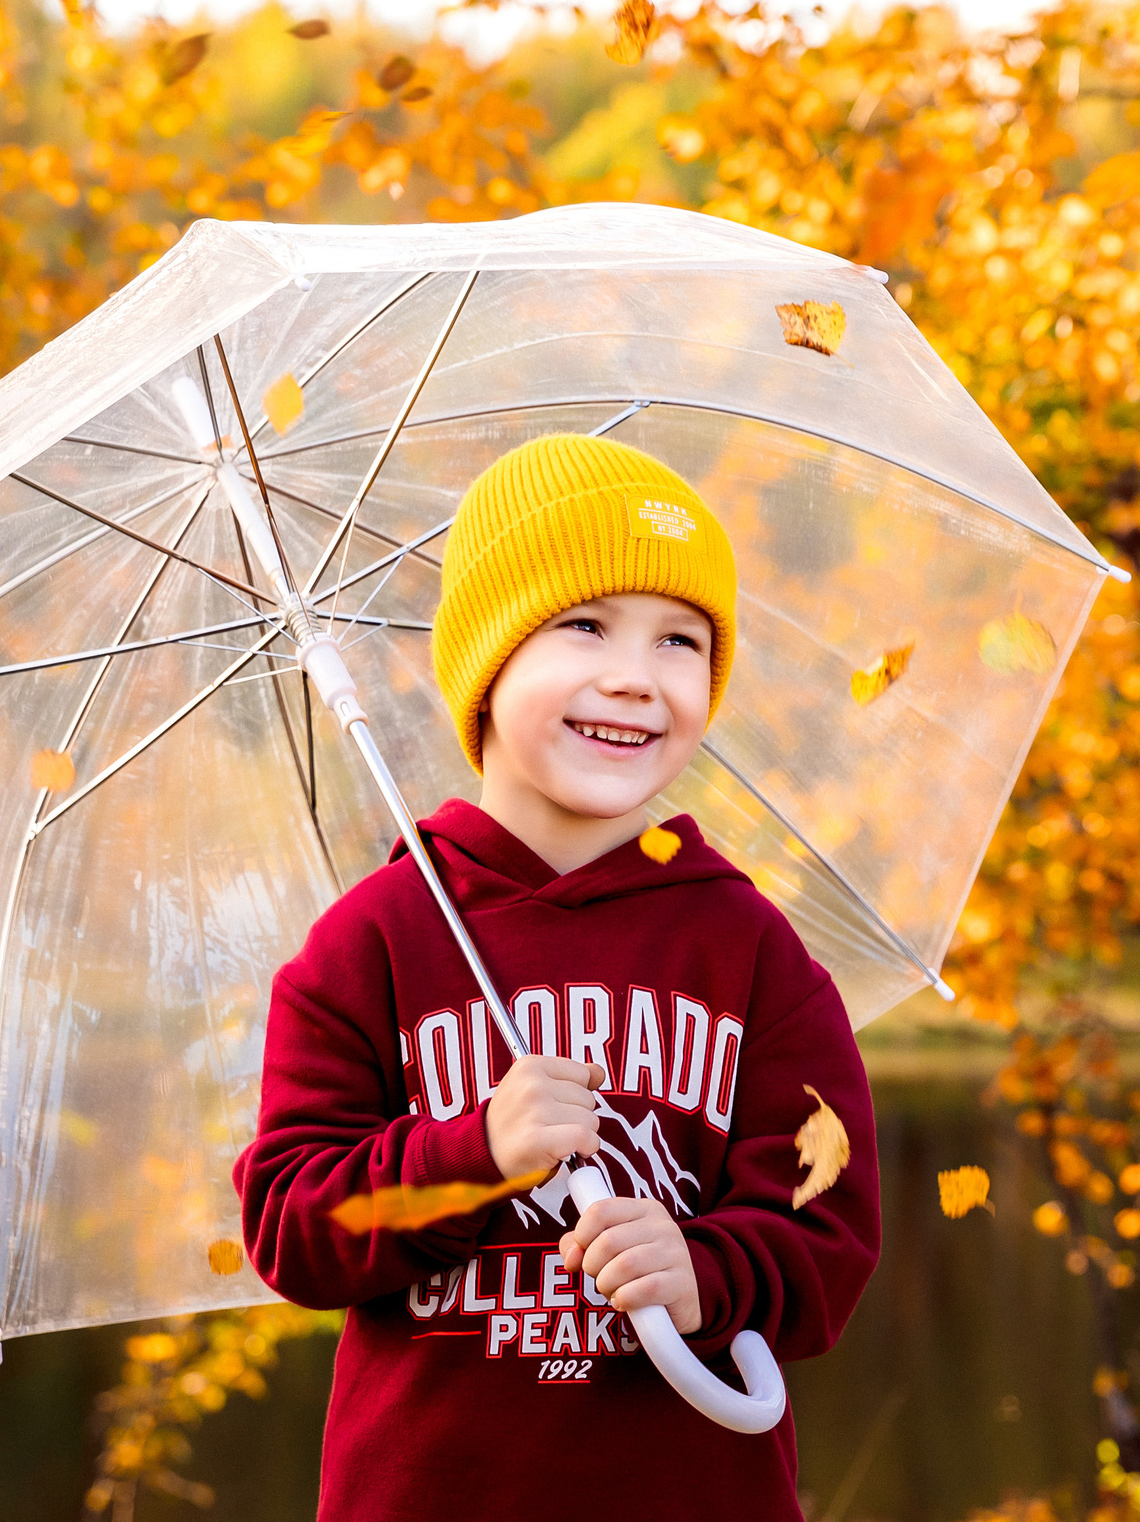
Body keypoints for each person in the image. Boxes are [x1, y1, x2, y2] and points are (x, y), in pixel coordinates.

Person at [234, 434, 882, 1521]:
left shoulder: (747, 948)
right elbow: (293, 1222)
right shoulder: (373, 943)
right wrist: (470, 1152)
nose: (635, 675)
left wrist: (705, 1270)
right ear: (487, 664)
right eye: (583, 624)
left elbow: (830, 1225)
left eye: (681, 640)